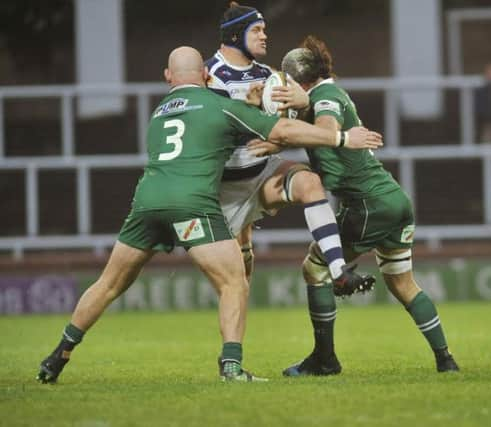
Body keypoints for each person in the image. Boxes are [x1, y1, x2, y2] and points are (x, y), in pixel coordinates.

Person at [35, 46, 383, 385]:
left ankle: (59, 355)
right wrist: (340, 137)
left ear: (168, 77)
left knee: (108, 284)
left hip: (146, 203)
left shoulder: (160, 112)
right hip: (192, 204)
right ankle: (231, 367)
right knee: (234, 283)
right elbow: (282, 132)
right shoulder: (217, 105)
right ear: (205, 74)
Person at [249, 35, 460, 375]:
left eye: (287, 83)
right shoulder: (320, 96)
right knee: (401, 282)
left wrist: (301, 117)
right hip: (393, 200)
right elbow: (313, 135)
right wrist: (278, 139)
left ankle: (324, 360)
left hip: (366, 205)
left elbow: (327, 129)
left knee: (314, 268)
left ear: (299, 81)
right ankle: (445, 359)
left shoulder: (326, 96)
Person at [205, 2, 373, 294]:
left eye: (264, 30)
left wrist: (303, 102)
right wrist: (253, 116)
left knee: (309, 182)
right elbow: (211, 130)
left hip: (260, 175)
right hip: (223, 187)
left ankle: (339, 271)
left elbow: (289, 121)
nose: (264, 36)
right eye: (256, 30)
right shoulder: (210, 75)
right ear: (235, 36)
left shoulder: (271, 77)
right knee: (237, 284)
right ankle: (234, 338)